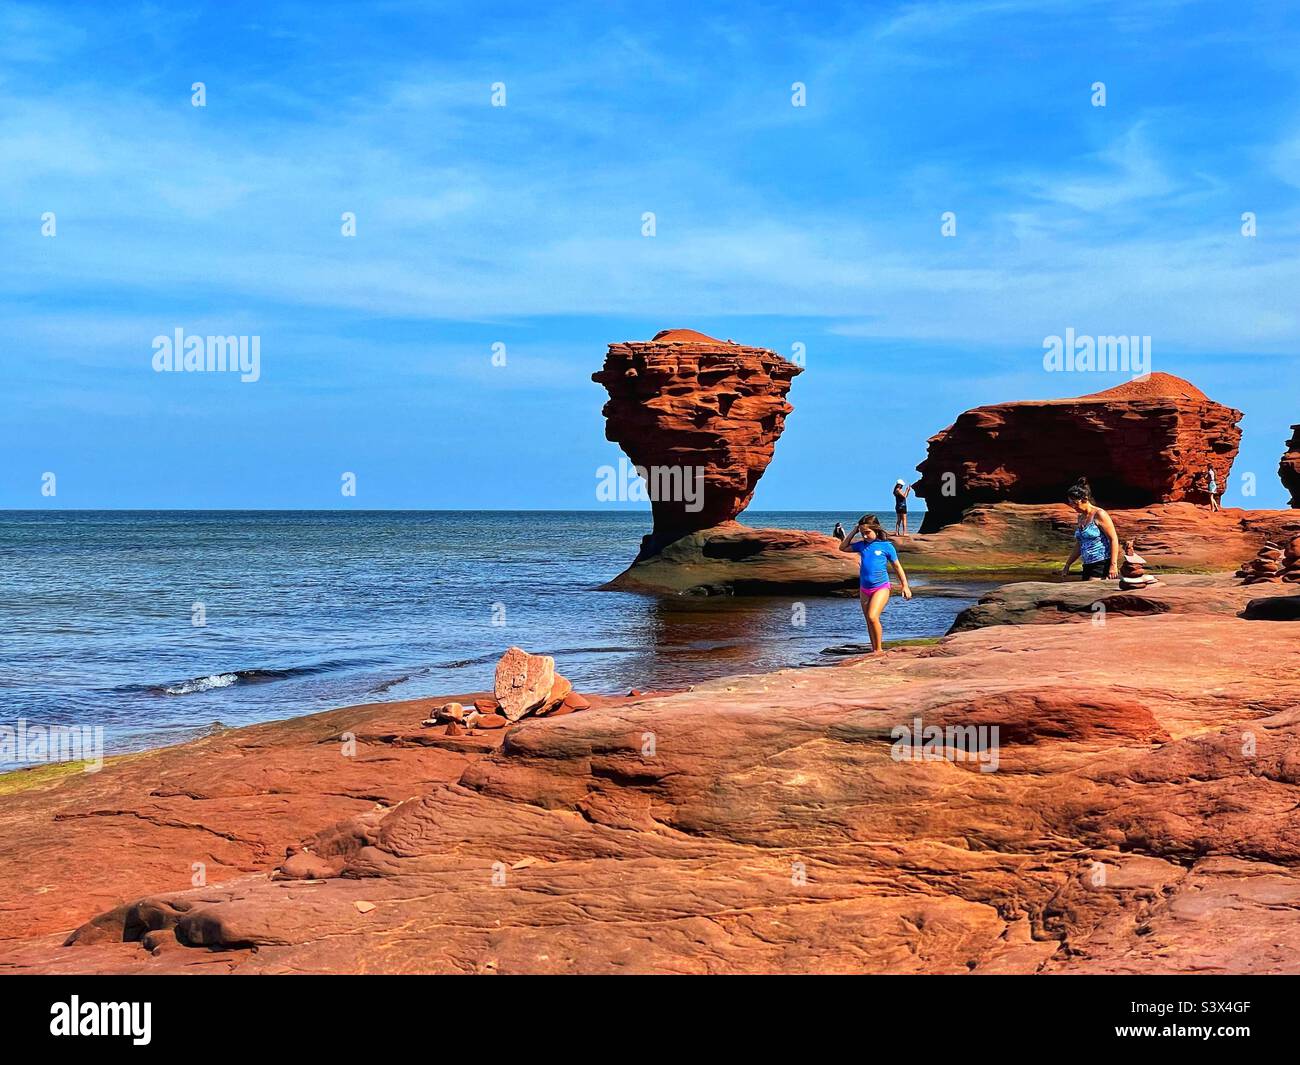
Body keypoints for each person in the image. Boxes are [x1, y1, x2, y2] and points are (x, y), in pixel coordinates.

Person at [840, 514, 912, 652]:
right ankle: (874, 650)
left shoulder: (886, 546)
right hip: (864, 589)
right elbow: (842, 548)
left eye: (867, 532)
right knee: (869, 620)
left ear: (876, 530)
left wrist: (905, 586)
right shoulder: (861, 545)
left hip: (881, 587)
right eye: (862, 533)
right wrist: (854, 531)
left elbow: (897, 567)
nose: (865, 536)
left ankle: (879, 650)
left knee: (873, 616)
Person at [1061, 482, 1120, 580]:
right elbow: (1080, 543)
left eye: (1075, 503)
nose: (1072, 506)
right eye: (1070, 503)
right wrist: (1068, 564)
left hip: (1101, 563)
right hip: (1087, 564)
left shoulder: (1099, 514)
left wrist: (1113, 565)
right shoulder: (1080, 517)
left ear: (1085, 499)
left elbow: (1113, 539)